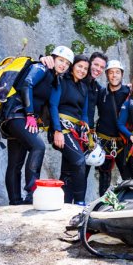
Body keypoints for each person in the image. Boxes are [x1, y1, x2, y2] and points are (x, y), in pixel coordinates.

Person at [0, 46, 74, 205]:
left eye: (67, 63)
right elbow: (27, 84)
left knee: (15, 162)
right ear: (53, 58)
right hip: (16, 113)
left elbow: (51, 105)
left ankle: (15, 202)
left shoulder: (54, 79)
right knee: (38, 147)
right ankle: (32, 193)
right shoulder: (40, 67)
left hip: (19, 116)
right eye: (61, 60)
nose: (63, 65)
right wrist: (30, 115)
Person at [49, 54, 90, 205]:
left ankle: (64, 203)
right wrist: (57, 130)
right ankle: (80, 202)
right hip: (62, 129)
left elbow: (84, 113)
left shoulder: (84, 87)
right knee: (79, 161)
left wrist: (86, 129)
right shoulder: (61, 81)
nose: (82, 70)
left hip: (76, 130)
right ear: (72, 66)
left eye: (86, 68)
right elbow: (53, 105)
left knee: (68, 169)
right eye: (79, 66)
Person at [94, 60, 131, 195]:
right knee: (104, 176)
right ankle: (102, 203)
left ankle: (129, 205)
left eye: (117, 72)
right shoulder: (101, 93)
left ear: (122, 75)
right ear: (107, 75)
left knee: (127, 175)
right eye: (111, 72)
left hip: (122, 142)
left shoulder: (129, 92)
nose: (114, 75)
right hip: (103, 141)